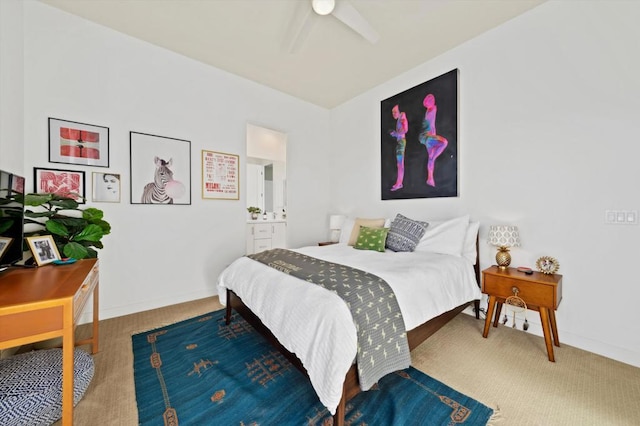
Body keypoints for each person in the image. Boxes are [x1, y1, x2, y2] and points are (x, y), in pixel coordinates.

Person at [419, 94, 448, 187]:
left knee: (431, 157)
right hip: (427, 137)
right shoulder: (431, 109)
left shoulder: (430, 110)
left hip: (428, 138)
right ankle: (433, 158)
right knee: (444, 142)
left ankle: (430, 178)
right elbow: (430, 103)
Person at [389, 105, 408, 191]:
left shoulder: (402, 116)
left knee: (400, 164)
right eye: (392, 112)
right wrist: (395, 133)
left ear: (399, 111)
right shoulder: (399, 119)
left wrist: (396, 134)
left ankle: (399, 183)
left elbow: (405, 129)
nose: (393, 114)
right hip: (400, 142)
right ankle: (399, 182)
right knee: (399, 164)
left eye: (395, 111)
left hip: (401, 142)